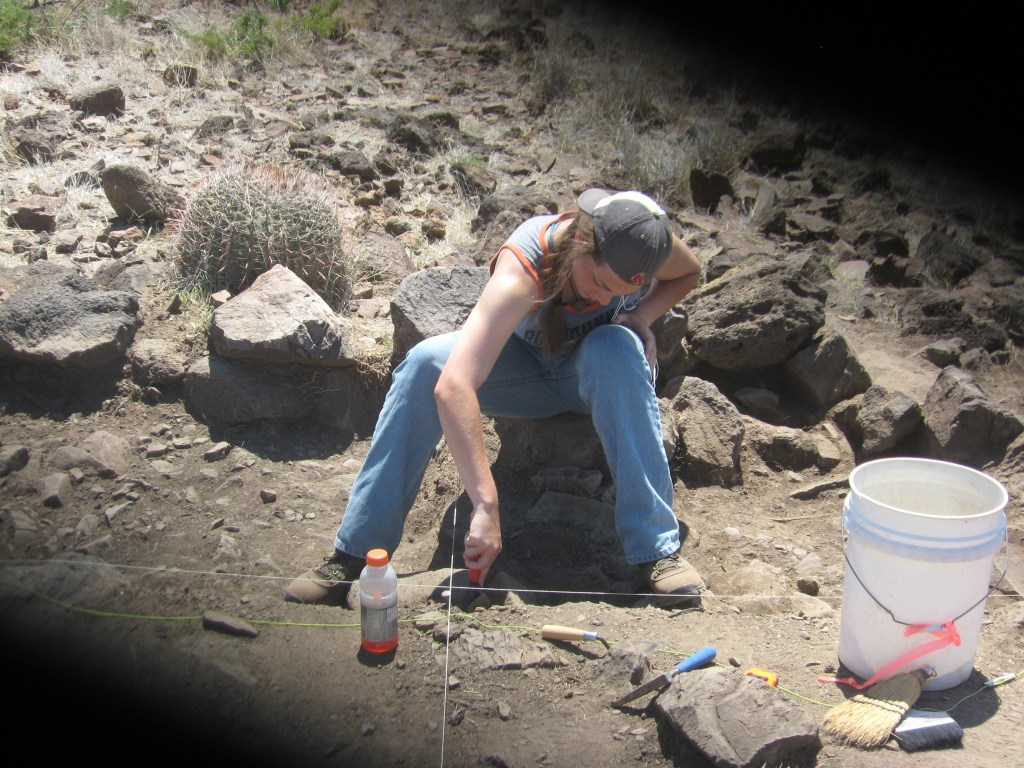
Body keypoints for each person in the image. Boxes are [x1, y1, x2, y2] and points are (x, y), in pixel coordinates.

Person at [284, 188, 706, 606]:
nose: (603, 298)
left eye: (616, 292)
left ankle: (658, 551)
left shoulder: (646, 243)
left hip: (595, 374)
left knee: (616, 345)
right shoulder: (527, 262)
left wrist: (640, 315)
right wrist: (485, 504)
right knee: (425, 362)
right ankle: (356, 553)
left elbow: (690, 271)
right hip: (527, 375)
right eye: (597, 281)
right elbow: (455, 384)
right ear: (581, 241)